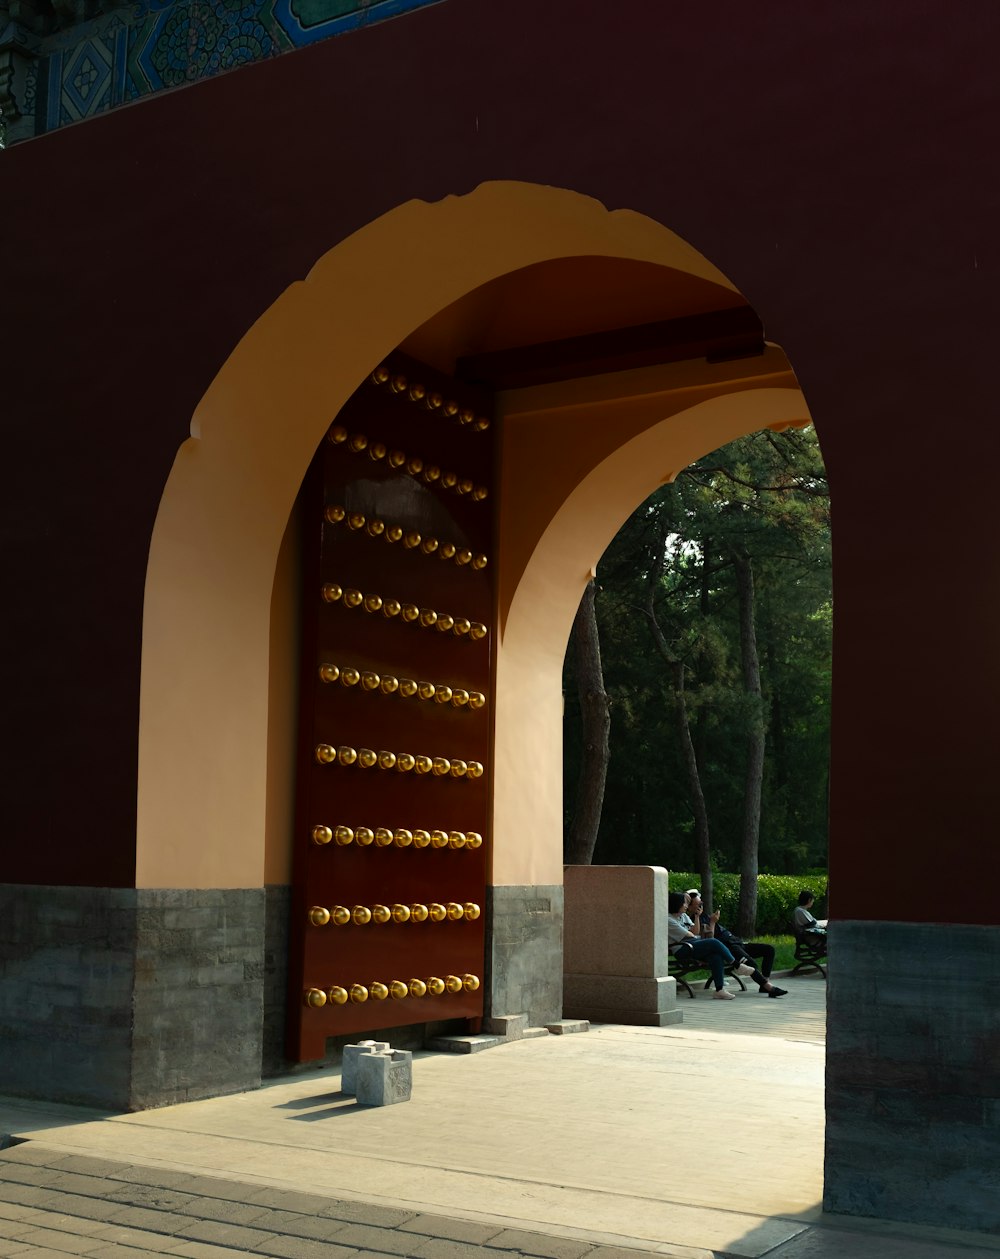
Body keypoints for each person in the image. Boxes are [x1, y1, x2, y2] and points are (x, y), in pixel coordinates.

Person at [684, 889, 787, 998]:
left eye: (701, 904)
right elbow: (709, 940)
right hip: (728, 947)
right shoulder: (694, 921)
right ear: (689, 907)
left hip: (736, 942)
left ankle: (764, 983)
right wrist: (713, 922)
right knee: (751, 964)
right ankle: (768, 987)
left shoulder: (704, 916)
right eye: (697, 905)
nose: (700, 907)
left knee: (769, 949)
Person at [667, 891, 753, 1001]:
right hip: (682, 949)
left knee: (715, 955)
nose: (686, 906)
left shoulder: (683, 916)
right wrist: (691, 933)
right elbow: (690, 934)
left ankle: (719, 990)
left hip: (692, 944)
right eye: (684, 903)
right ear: (676, 904)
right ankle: (737, 965)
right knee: (713, 942)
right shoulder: (669, 919)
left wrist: (697, 917)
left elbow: (696, 932)